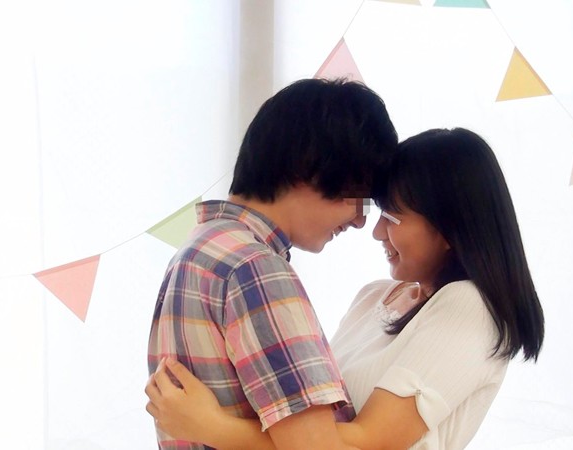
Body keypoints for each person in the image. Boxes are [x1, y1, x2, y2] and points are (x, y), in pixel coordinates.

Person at [145, 127, 546, 449]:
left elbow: (365, 443)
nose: (376, 231)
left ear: (449, 226)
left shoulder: (470, 307)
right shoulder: (372, 298)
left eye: (393, 217)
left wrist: (213, 426)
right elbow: (309, 431)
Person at [147, 78, 398, 450]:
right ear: (307, 167)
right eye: (359, 196)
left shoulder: (199, 249)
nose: (361, 221)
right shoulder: (255, 269)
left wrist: (212, 426)